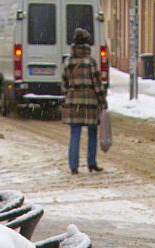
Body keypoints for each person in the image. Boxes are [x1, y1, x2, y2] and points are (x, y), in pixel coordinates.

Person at [62, 28, 107, 175]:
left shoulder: (68, 62)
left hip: (73, 103)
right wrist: (102, 100)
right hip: (90, 103)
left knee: (75, 134)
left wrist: (71, 93)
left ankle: (73, 166)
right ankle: (91, 163)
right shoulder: (91, 63)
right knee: (92, 133)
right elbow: (97, 85)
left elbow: (63, 84)